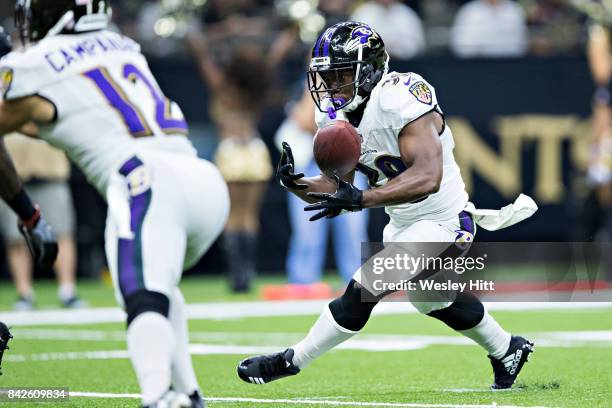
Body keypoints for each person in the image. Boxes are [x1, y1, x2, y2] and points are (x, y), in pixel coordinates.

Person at [237, 22, 536, 390]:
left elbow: (428, 176)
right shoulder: (335, 116)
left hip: (444, 220)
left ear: (370, 70)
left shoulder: (399, 96)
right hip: (402, 224)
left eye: (342, 75)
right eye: (326, 77)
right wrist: (296, 184)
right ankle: (508, 348)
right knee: (431, 300)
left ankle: (291, 360)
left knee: (367, 285)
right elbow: (336, 186)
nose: (332, 87)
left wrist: (362, 199)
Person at [0, 2, 229, 407]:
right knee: (159, 286)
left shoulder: (35, 63)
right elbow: (60, 116)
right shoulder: (121, 45)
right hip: (202, 180)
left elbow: (19, 114)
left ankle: (156, 395)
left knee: (142, 294)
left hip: (146, 181)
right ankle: (188, 393)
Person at [270, 87, 368, 298]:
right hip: (310, 163)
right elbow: (305, 121)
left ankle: (358, 279)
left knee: (353, 229)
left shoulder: (354, 88)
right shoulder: (305, 89)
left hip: (347, 165)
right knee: (308, 228)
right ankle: (302, 282)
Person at [0, 133, 82, 310]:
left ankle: (68, 290)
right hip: (11, 179)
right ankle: (24, 293)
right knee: (16, 239)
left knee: (62, 234)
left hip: (51, 175)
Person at [350, 0, 426, 59]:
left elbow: (417, 44)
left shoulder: (407, 13)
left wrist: (397, 52)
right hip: (371, 65)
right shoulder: (362, 13)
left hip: (404, 65)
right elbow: (355, 43)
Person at [451, 0, 528, 58]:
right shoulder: (470, 11)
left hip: (511, 65)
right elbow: (460, 45)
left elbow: (521, 43)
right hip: (476, 66)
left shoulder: (514, 9)